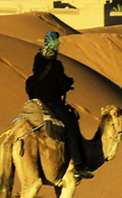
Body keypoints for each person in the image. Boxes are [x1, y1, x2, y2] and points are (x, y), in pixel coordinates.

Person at [24, 31, 91, 180]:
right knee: (72, 127)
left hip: (37, 99)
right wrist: (67, 84)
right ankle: (78, 166)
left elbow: (42, 77)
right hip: (52, 102)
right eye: (57, 44)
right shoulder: (56, 64)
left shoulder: (38, 58)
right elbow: (60, 85)